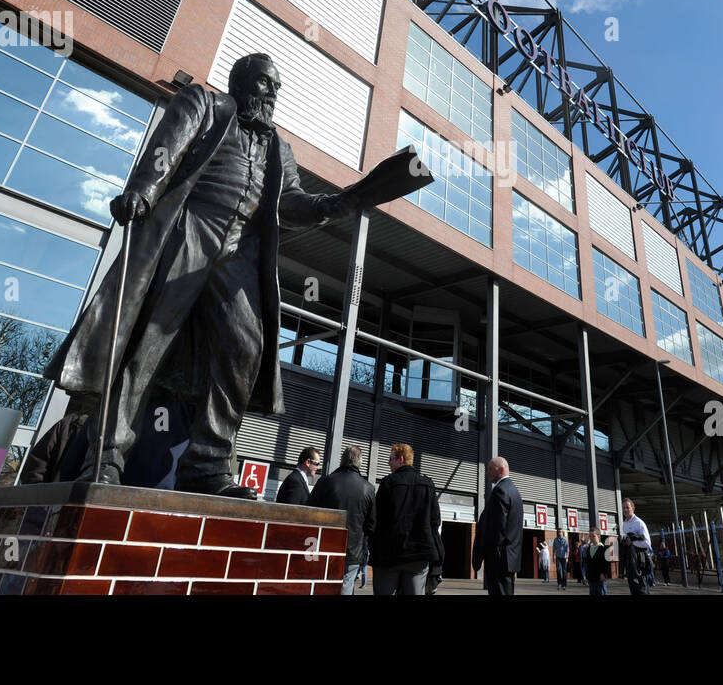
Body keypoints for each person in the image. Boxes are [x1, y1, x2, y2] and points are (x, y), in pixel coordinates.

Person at [44, 54, 355, 497]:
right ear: (242, 81)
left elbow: (290, 202)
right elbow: (165, 151)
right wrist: (142, 192)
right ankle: (106, 457)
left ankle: (207, 466)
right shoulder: (206, 107)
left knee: (244, 348)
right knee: (147, 345)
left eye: (276, 88)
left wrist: (330, 205)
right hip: (190, 228)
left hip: (240, 252)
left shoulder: (278, 148)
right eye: (266, 83)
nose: (272, 94)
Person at [369, 444, 441, 595]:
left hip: (389, 555)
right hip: (419, 555)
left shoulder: (388, 483)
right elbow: (435, 521)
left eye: (390, 459)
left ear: (400, 459)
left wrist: (373, 547)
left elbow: (376, 519)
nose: (389, 463)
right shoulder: (428, 484)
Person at [307, 445, 375, 595]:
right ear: (360, 463)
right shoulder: (368, 488)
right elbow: (371, 525)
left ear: (342, 460)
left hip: (324, 547)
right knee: (345, 586)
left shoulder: (326, 482)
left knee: (321, 586)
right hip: (352, 551)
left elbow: (309, 512)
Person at [473, 456, 523, 595]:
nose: (487, 472)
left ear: (500, 470)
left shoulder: (500, 491)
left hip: (499, 561)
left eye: (490, 469)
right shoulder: (514, 491)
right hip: (509, 560)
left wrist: (487, 552)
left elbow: (497, 529)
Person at [620, 498, 652, 596]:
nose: (625, 510)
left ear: (633, 508)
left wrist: (632, 543)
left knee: (641, 589)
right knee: (633, 587)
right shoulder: (624, 524)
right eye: (623, 508)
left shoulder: (639, 523)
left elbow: (647, 543)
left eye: (627, 507)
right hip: (630, 559)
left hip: (640, 560)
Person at [584, 529, 612, 595]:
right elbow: (588, 563)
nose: (591, 538)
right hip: (591, 577)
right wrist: (587, 577)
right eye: (590, 536)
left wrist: (604, 573)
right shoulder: (588, 549)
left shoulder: (604, 548)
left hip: (600, 577)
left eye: (593, 536)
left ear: (599, 536)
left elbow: (606, 563)